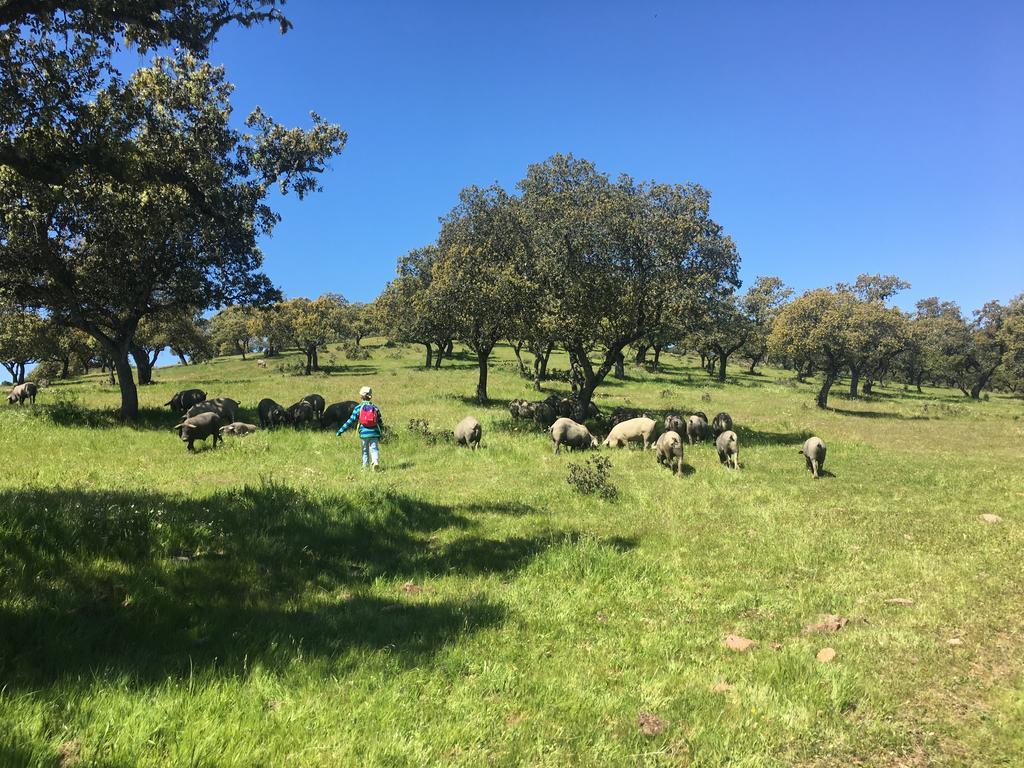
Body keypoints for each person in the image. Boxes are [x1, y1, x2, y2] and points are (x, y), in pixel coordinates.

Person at [336, 386, 384, 470]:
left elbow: (350, 421)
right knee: (374, 449)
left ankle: (365, 467)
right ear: (370, 396)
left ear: (361, 396)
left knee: (365, 451)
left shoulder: (358, 408)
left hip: (364, 434)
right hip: (374, 433)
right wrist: (382, 431)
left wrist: (340, 430)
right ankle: (375, 462)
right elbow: (380, 422)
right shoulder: (375, 408)